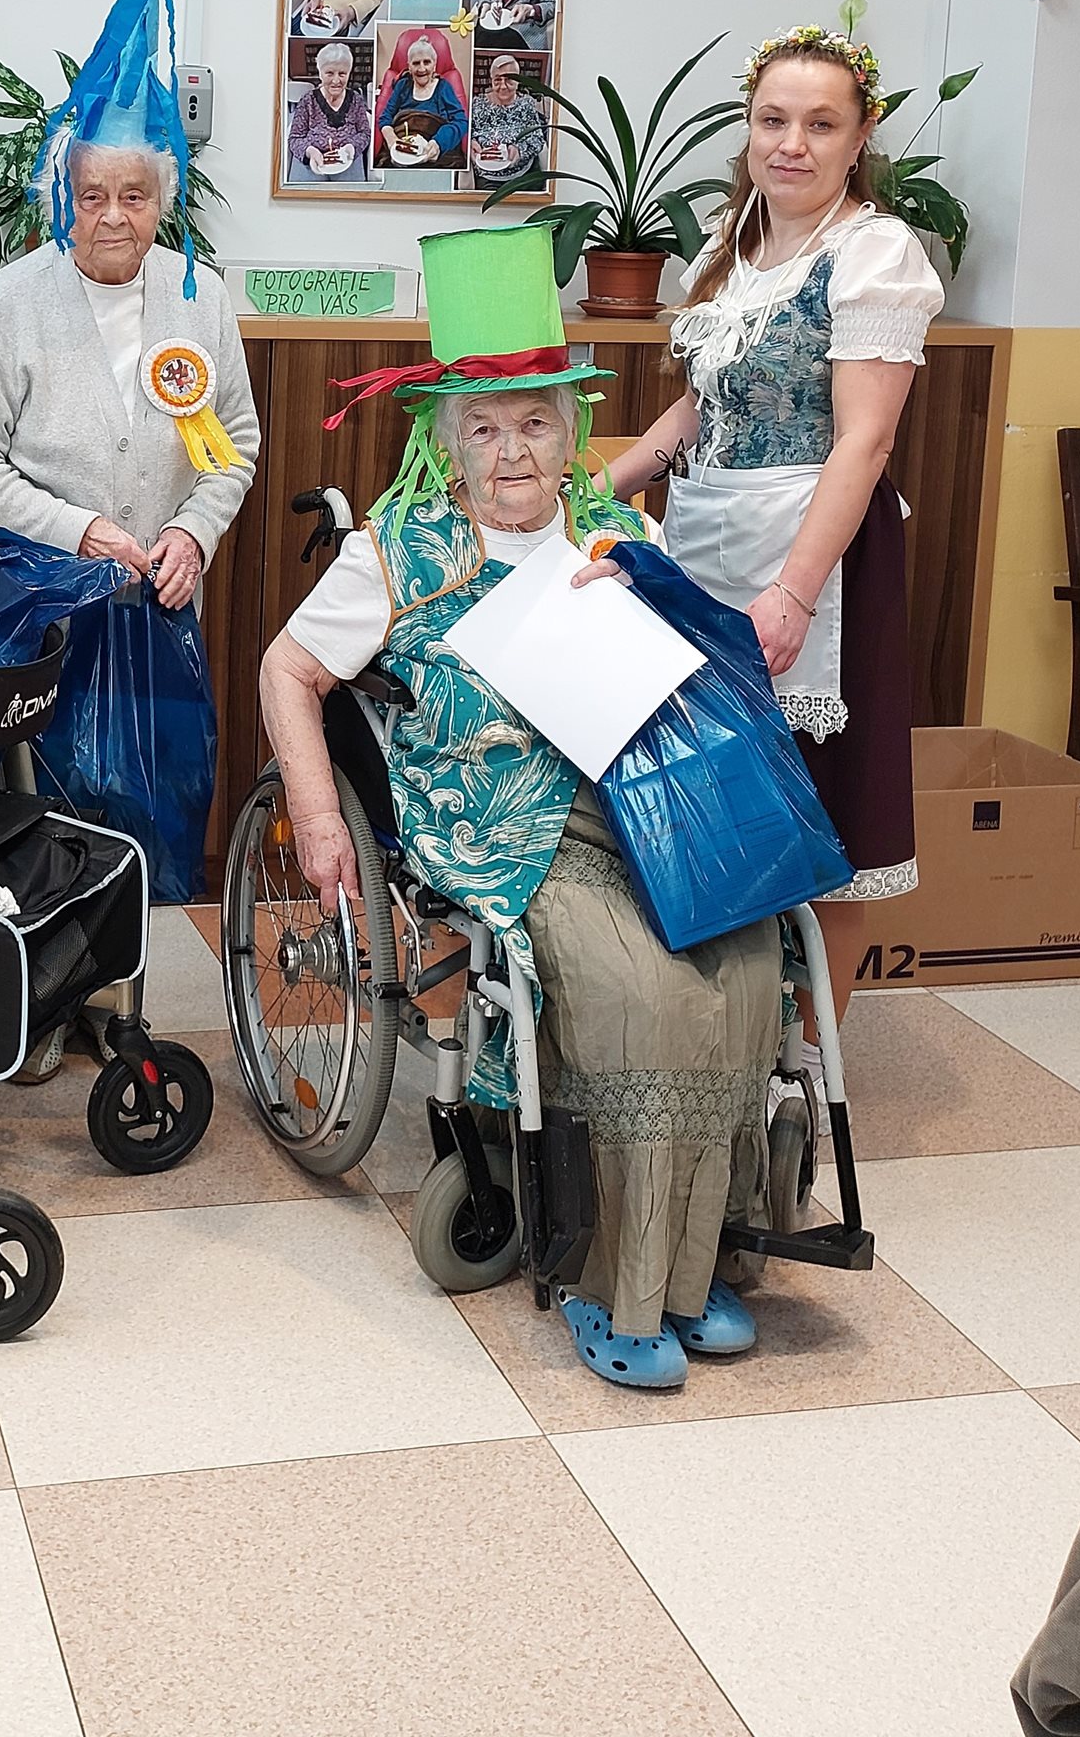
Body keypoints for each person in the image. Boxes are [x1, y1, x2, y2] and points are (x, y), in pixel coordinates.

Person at [261, 224, 781, 1391]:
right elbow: (285, 670)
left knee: (747, 961)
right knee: (642, 991)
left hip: (638, 800)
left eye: (537, 423)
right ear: (448, 441)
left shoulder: (616, 525)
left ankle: (695, 1266)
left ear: (571, 430)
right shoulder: (400, 549)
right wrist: (319, 812)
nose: (513, 450)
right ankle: (613, 1280)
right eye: (486, 428)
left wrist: (650, 590)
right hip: (496, 820)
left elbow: (698, 666)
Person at [602, 23, 943, 1026]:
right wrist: (600, 487)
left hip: (815, 552)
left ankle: (807, 1050)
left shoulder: (875, 254)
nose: (791, 144)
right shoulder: (732, 243)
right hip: (704, 538)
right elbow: (699, 408)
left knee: (821, 813)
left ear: (860, 136)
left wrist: (793, 591)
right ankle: (728, 1034)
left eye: (820, 124)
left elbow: (865, 441)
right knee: (718, 788)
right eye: (773, 120)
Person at [0, 0, 260, 929]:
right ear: (61, 192)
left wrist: (194, 531)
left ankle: (138, 975)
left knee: (155, 802)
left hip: (157, 607)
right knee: (44, 820)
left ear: (164, 199)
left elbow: (235, 439)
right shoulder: (7, 304)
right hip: (36, 611)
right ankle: (43, 977)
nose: (114, 216)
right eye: (93, 193)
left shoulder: (202, 300)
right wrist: (77, 531)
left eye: (135, 195)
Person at [377, 34, 469, 168]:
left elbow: (461, 121)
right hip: (402, 151)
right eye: (416, 63)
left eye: (427, 62)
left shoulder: (444, 87)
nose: (421, 69)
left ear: (434, 65)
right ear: (409, 66)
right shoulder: (402, 85)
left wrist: (438, 143)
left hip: (434, 153)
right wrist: (392, 141)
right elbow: (385, 117)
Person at [286, 40, 370, 183]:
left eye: (342, 74)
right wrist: (310, 152)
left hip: (347, 161)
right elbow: (294, 138)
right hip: (312, 160)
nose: (336, 80)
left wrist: (351, 147)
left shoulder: (356, 99)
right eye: (329, 73)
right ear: (320, 73)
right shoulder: (307, 100)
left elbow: (365, 133)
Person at [469, 52, 549, 188]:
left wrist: (520, 150)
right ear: (491, 80)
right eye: (497, 80)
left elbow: (537, 138)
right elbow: (466, 133)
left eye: (509, 80)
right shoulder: (477, 104)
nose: (503, 86)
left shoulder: (526, 104)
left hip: (523, 176)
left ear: (518, 81)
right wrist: (470, 144)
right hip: (488, 178)